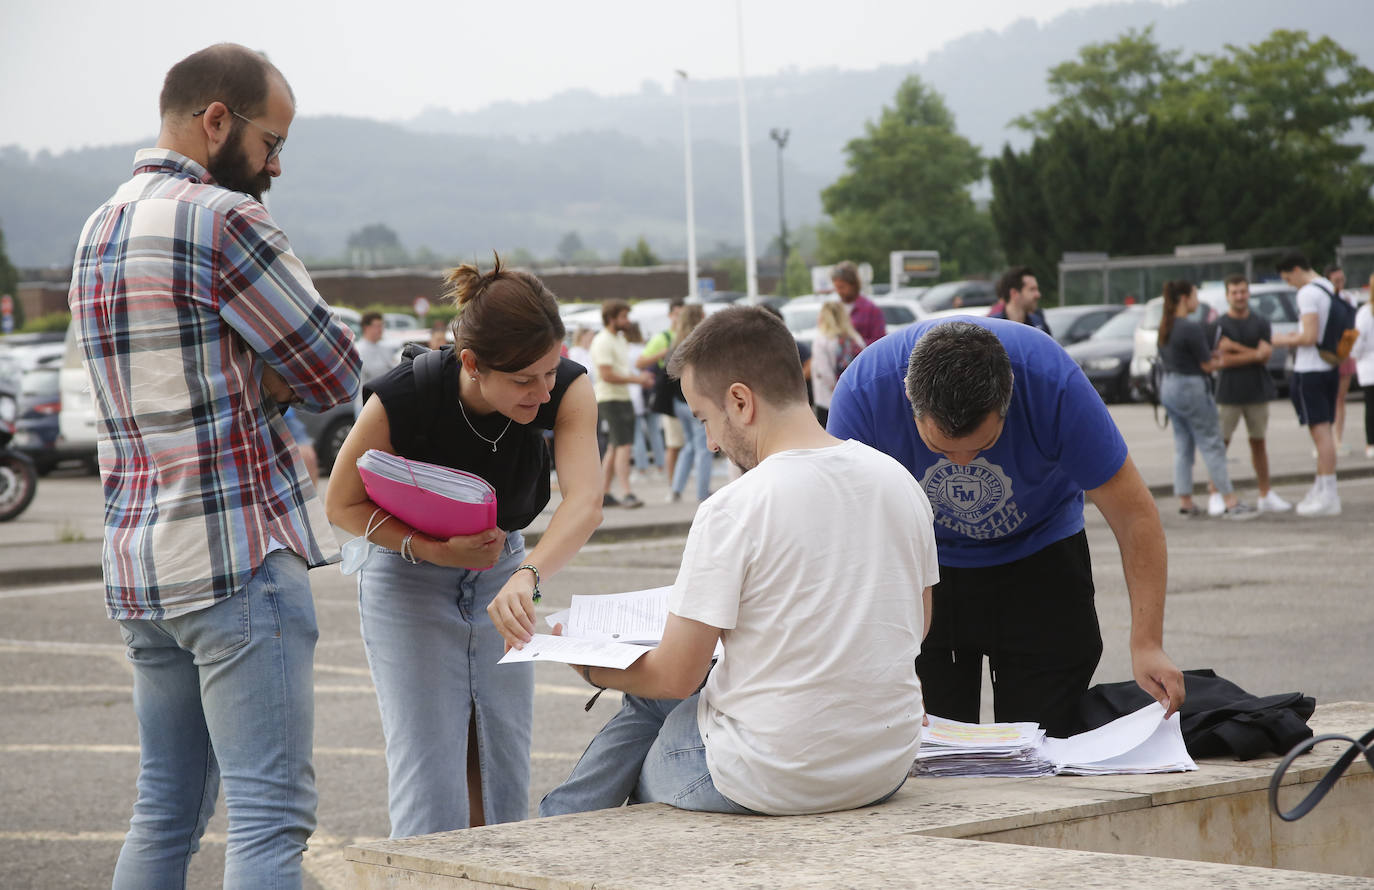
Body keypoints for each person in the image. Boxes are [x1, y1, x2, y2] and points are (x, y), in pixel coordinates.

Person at [68, 44, 361, 888]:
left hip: (141, 566)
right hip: (235, 559)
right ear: (217, 121)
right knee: (269, 822)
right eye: (272, 142)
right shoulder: (223, 219)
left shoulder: (100, 225)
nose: (274, 165)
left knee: (163, 809)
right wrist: (256, 375)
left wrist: (235, 368)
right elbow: (335, 369)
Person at [539, 306, 938, 817]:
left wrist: (589, 665)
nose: (709, 441)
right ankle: (562, 817)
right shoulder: (898, 480)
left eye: (704, 418)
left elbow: (674, 678)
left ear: (740, 401)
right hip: (886, 764)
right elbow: (917, 624)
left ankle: (561, 826)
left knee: (649, 703)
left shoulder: (733, 508)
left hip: (767, 776)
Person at [324, 256, 602, 837]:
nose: (542, 392)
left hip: (504, 571)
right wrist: (434, 551)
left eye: (550, 371)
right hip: (407, 580)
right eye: (524, 380)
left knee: (501, 759)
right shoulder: (405, 397)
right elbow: (341, 506)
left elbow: (585, 502)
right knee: (428, 775)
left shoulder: (567, 387)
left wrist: (527, 574)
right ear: (472, 364)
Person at [827, 318, 1186, 736]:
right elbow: (845, 538)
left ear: (1008, 398)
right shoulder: (863, 393)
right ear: (909, 398)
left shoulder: (1053, 382)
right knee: (925, 742)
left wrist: (1148, 643)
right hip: (922, 568)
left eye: (983, 446)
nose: (962, 463)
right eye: (940, 449)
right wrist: (881, 658)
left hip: (1041, 555)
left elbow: (1134, 516)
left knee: (1048, 738)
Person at [1155, 280, 1257, 520]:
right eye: (1194, 296)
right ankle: (1230, 501)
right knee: (1212, 442)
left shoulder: (1165, 325)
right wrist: (1224, 357)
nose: (1197, 301)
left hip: (1169, 386)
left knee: (1182, 446)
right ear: (1184, 299)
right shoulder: (1190, 328)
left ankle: (1186, 502)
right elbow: (1206, 364)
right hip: (1191, 386)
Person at [1205, 275, 1290, 515]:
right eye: (1235, 292)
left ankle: (1266, 493)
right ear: (1227, 295)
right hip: (1228, 392)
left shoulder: (1261, 322)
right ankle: (1215, 493)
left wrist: (1236, 350)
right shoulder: (1219, 324)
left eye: (1243, 291)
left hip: (1257, 390)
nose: (1240, 296)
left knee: (1259, 443)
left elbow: (1266, 356)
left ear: (1248, 293)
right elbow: (1219, 360)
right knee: (1221, 444)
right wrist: (1253, 354)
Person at [1272, 253, 1343, 516]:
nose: (1290, 283)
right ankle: (1322, 486)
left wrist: (1279, 341)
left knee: (1320, 434)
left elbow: (1310, 336)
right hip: (1329, 366)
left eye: (1289, 277)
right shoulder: (1328, 286)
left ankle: (1328, 493)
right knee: (1325, 430)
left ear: (1297, 270)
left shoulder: (1307, 294)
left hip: (1310, 369)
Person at [591, 299, 653, 508]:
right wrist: (638, 380)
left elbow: (619, 372)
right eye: (623, 316)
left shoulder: (617, 339)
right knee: (624, 445)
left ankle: (604, 492)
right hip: (610, 398)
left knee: (615, 446)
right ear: (611, 318)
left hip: (621, 397)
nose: (627, 320)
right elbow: (607, 375)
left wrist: (638, 379)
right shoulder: (603, 341)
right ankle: (627, 492)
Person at [667, 304, 713, 503]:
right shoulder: (700, 342)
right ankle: (702, 492)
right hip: (696, 401)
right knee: (703, 447)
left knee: (688, 447)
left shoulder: (676, 342)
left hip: (678, 402)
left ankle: (676, 488)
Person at [638, 297, 685, 488]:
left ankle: (678, 483)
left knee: (687, 443)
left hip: (685, 395)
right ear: (670, 315)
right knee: (674, 443)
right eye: (677, 314)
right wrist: (664, 352)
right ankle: (673, 484)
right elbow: (640, 362)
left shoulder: (688, 335)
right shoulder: (662, 338)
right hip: (671, 396)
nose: (680, 318)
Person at [811, 300, 866, 428]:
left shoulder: (822, 340)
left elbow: (824, 373)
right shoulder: (855, 338)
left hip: (828, 402)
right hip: (854, 401)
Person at [1324, 265, 1359, 454]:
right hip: (1327, 354)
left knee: (1340, 399)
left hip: (1344, 351)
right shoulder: (1324, 299)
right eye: (1336, 280)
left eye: (1341, 280)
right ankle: (1326, 438)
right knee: (1327, 397)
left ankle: (1338, 438)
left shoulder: (1348, 298)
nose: (1340, 284)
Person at [625, 322, 664, 478]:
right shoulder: (646, 350)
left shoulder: (626, 351)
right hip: (649, 393)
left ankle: (641, 469)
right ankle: (661, 467)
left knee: (637, 434)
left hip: (632, 393)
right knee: (654, 432)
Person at [831, 260, 886, 345]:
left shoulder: (871, 310)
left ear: (854, 284)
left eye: (842, 287)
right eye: (836, 287)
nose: (839, 291)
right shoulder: (834, 310)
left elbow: (880, 343)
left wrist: (854, 345)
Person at [988, 266, 1052, 336]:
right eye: (1032, 289)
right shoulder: (992, 327)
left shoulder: (1039, 323)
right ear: (1014, 293)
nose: (1038, 294)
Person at [356, 310, 398, 416]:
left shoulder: (384, 348)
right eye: (378, 326)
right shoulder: (359, 349)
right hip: (365, 405)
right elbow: (375, 372)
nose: (381, 330)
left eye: (382, 326)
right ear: (366, 327)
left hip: (383, 404)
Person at [1353, 274, 1374, 460]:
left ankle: (1371, 443)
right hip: (1369, 364)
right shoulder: (1366, 312)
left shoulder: (1366, 312)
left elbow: (1358, 341)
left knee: (1370, 406)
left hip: (1369, 365)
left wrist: (1355, 356)